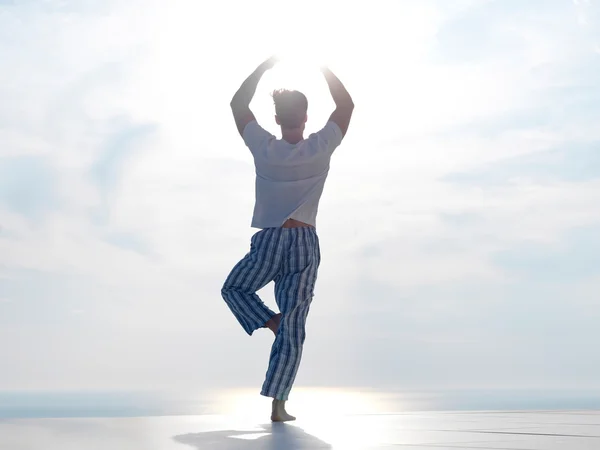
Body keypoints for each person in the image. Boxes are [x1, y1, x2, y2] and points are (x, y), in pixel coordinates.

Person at [221, 55, 354, 422]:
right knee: (295, 325)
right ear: (307, 117)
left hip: (268, 242)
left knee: (234, 289)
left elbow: (237, 104)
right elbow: (346, 105)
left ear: (277, 119)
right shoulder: (321, 146)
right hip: (304, 244)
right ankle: (279, 405)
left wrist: (263, 69)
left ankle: (270, 322)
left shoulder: (264, 148)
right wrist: (325, 67)